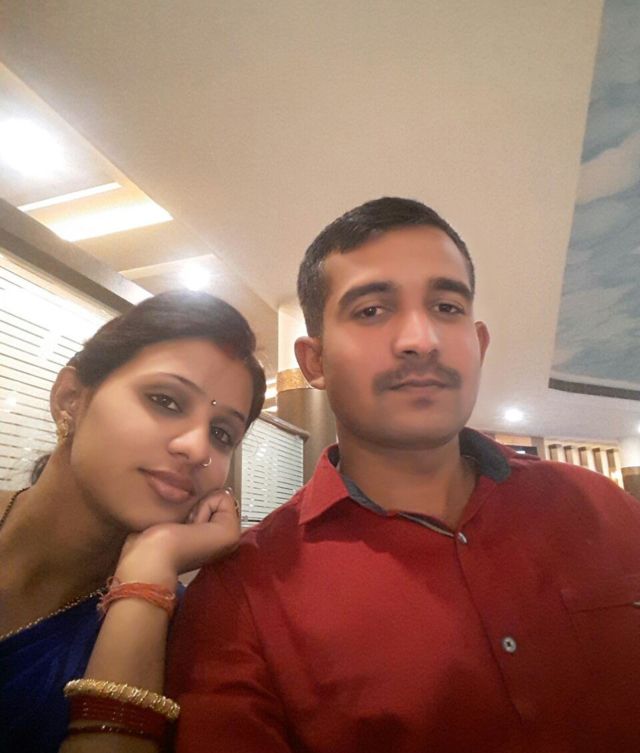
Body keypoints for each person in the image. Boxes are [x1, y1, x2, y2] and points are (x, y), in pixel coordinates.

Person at [168, 197, 640, 753]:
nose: (422, 338)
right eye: (371, 310)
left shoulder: (601, 505)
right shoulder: (242, 595)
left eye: (446, 307)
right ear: (314, 362)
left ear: (478, 344)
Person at [0, 290, 266, 753]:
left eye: (222, 433)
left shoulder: (191, 632)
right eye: (166, 401)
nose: (197, 448)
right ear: (70, 399)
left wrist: (152, 567)